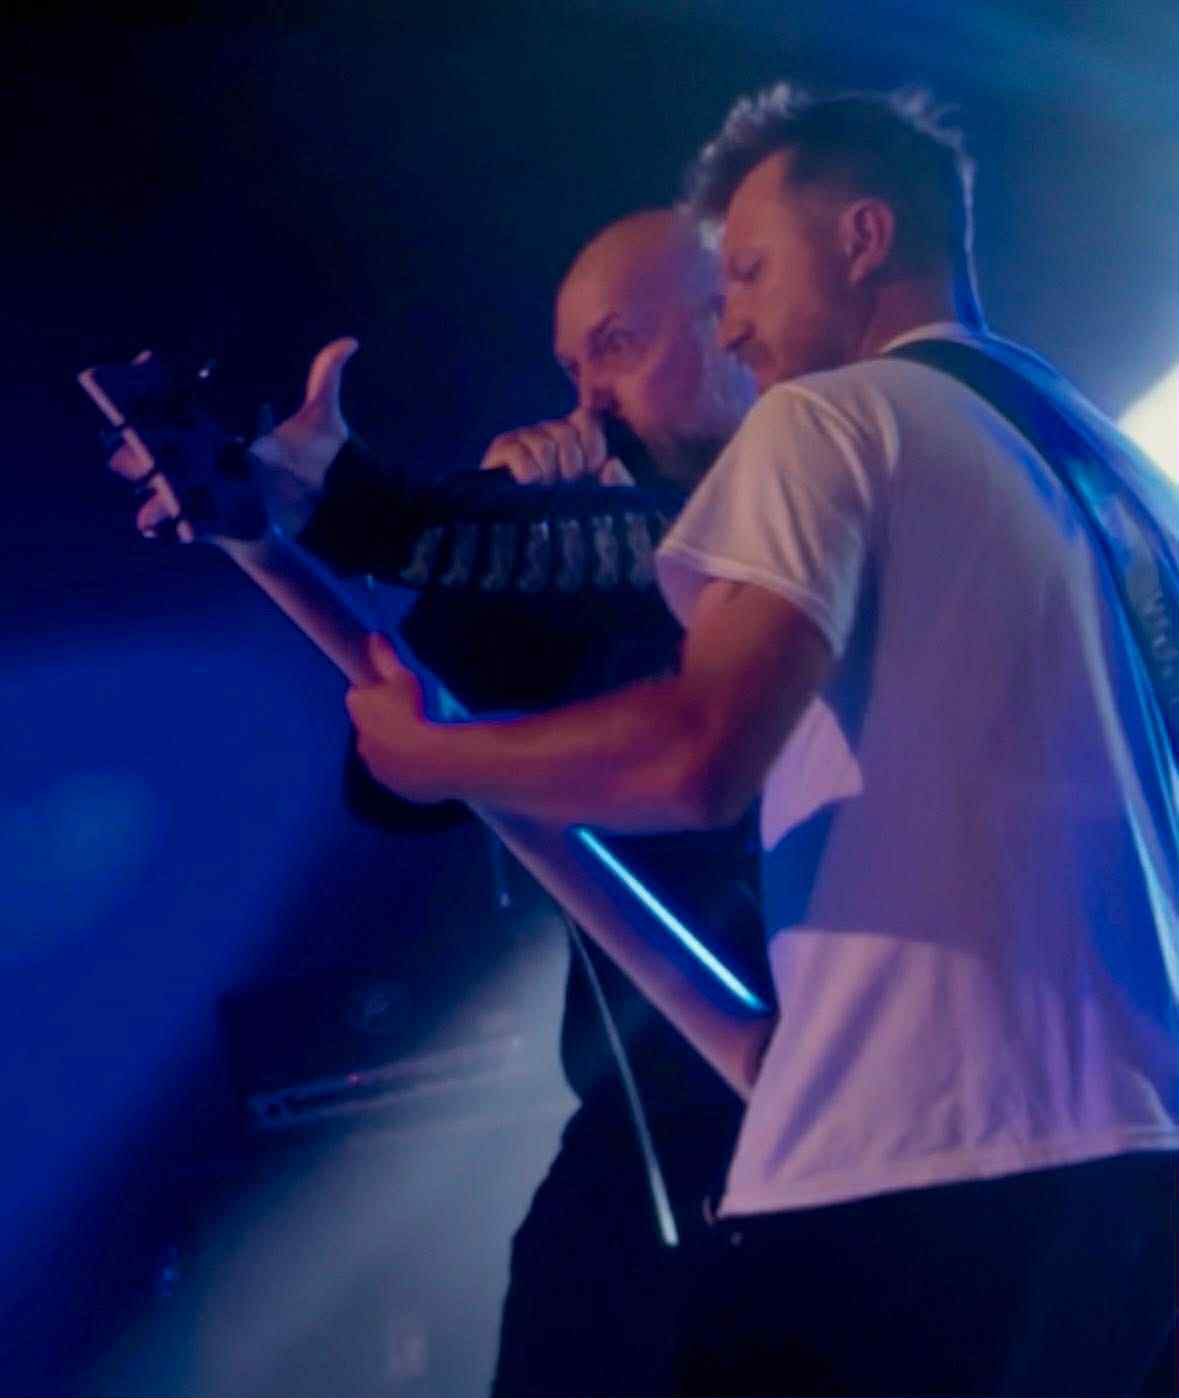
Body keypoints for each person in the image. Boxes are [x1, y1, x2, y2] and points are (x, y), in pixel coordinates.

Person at [345, 87, 1179, 1397]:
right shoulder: (1101, 460)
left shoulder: (825, 427)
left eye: (741, 277)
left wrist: (432, 738)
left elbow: (696, 752)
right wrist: (494, 543)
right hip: (1095, 1144)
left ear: (854, 240)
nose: (737, 319)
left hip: (916, 1142)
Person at [113, 209, 768, 1398]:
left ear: (737, 323)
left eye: (617, 347)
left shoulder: (808, 500)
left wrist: (443, 520)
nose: (589, 402)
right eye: (571, 368)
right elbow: (393, 784)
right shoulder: (567, 557)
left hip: (865, 1083)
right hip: (653, 1104)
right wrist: (492, 537)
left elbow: (675, 572)